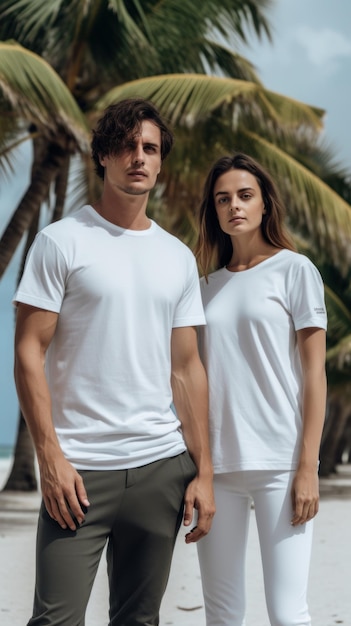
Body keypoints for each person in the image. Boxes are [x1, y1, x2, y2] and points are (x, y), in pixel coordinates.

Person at [13, 97, 215, 626]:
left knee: (138, 621)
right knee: (55, 620)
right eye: (126, 146)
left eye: (149, 148)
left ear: (161, 162)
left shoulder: (176, 256)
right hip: (78, 471)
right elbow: (28, 352)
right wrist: (50, 457)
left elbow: (187, 368)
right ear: (103, 155)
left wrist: (205, 472)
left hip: (160, 468)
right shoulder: (60, 242)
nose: (138, 158)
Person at [195, 153, 327, 626]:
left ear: (265, 204)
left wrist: (307, 467)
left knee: (288, 614)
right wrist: (198, 468)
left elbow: (315, 375)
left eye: (245, 196)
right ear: (213, 210)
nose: (234, 206)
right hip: (218, 466)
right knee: (223, 614)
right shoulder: (204, 287)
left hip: (281, 461)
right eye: (223, 198)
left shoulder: (296, 270)